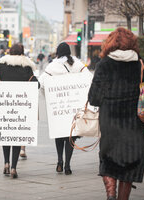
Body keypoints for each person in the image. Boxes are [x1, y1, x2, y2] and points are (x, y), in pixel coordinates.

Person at [88, 27, 144, 200]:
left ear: (109, 44)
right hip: (134, 124)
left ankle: (110, 193)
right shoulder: (142, 64)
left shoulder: (104, 64)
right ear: (133, 43)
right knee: (130, 163)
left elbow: (94, 99)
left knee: (109, 160)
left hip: (110, 123)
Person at [0, 43, 40, 178]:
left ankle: (6, 163)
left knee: (6, 135)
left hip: (4, 108)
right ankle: (14, 167)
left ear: (9, 53)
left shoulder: (2, 67)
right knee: (16, 136)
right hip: (20, 110)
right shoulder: (27, 68)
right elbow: (36, 84)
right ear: (22, 54)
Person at [39, 42, 92, 175]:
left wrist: (49, 97)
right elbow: (89, 79)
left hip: (58, 107)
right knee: (71, 136)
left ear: (58, 52)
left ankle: (59, 161)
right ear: (69, 52)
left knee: (59, 134)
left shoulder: (52, 66)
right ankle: (68, 165)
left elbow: (41, 83)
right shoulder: (78, 64)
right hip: (73, 107)